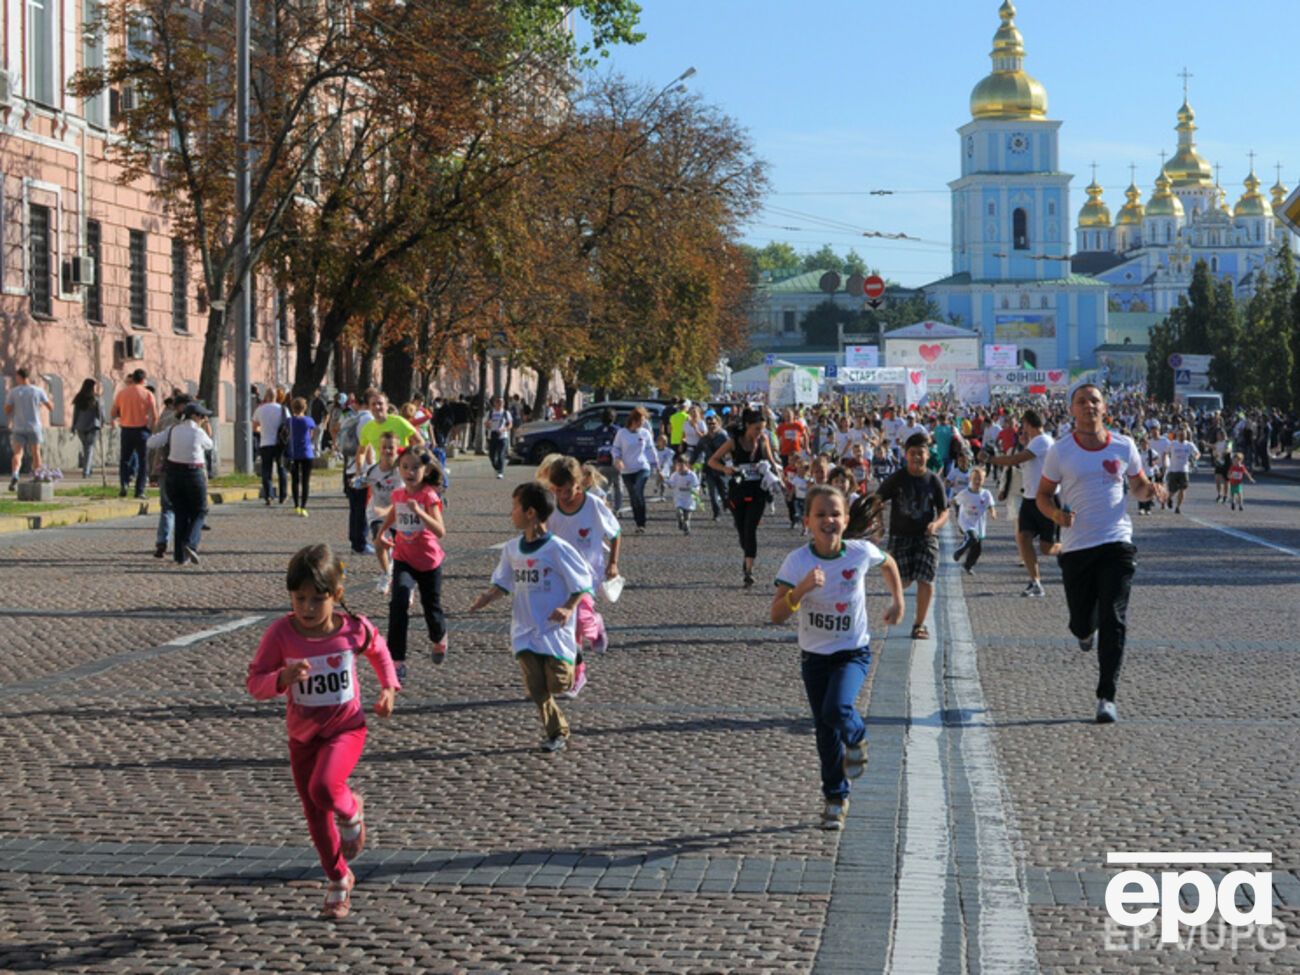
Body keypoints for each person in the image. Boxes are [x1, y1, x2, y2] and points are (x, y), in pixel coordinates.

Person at [246, 543, 399, 919]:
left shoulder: (353, 629)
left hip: (346, 728)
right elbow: (255, 682)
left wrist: (388, 688)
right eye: (299, 598)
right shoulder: (281, 633)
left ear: (337, 596)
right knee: (315, 814)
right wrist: (280, 678)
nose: (308, 608)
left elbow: (379, 650)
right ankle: (338, 879)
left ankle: (350, 810)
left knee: (324, 787)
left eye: (318, 599)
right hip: (303, 737)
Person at [771, 484, 904, 830]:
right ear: (807, 522)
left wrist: (898, 601)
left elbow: (888, 563)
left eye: (835, 514)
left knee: (837, 710)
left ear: (845, 520)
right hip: (814, 657)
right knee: (824, 731)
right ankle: (835, 798)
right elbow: (776, 614)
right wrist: (800, 590)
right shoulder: (797, 561)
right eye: (821, 515)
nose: (828, 520)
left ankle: (857, 737)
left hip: (852, 653)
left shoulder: (859, 552)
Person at [1037, 382, 1166, 724]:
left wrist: (1149, 490)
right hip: (1077, 546)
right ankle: (1084, 631)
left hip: (1117, 542)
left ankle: (1107, 696)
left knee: (1114, 616)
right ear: (1072, 410)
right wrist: (1055, 515)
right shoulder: (1060, 451)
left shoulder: (1124, 446)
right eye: (1082, 401)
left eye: (1094, 401)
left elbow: (1137, 486)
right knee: (1081, 621)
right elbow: (1043, 495)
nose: (1089, 406)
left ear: (1105, 408)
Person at [469, 482, 594, 753]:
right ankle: (556, 732)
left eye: (515, 507)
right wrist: (487, 597)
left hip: (553, 629)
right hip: (524, 630)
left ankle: (577, 659)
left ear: (530, 513)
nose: (510, 513)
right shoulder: (512, 549)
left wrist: (569, 607)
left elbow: (582, 584)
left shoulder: (557, 549)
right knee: (537, 689)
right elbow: (503, 582)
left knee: (559, 683)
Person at [541, 455, 622, 699]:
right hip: (558, 574)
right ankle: (578, 672)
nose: (562, 496)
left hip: (586, 574)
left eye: (567, 491)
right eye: (557, 490)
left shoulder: (593, 505)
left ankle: (594, 629)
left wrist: (613, 563)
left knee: (578, 621)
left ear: (579, 484)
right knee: (567, 626)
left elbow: (616, 533)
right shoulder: (552, 506)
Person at [375, 447, 447, 682]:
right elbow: (394, 513)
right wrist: (382, 532)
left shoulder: (429, 496)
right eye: (405, 467)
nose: (410, 471)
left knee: (431, 608)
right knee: (398, 603)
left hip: (428, 561)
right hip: (403, 558)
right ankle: (397, 660)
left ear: (425, 470)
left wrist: (420, 512)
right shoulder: (398, 494)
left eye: (416, 467)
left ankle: (439, 637)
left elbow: (440, 531)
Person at [871, 432, 948, 639]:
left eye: (920, 453)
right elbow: (877, 500)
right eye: (912, 453)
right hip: (900, 536)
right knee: (902, 582)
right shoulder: (896, 479)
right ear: (906, 455)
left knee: (926, 579)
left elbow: (944, 510)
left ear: (927, 455)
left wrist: (936, 524)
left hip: (925, 537)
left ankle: (919, 625)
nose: (916, 457)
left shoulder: (933, 480)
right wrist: (878, 524)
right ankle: (897, 604)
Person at [983, 409, 1058, 597]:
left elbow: (1016, 459)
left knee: (1046, 548)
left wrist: (990, 459)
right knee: (1023, 538)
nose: (1021, 428)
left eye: (1022, 424)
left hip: (1045, 499)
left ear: (1029, 423)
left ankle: (1073, 548)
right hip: (1029, 498)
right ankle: (1035, 583)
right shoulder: (1034, 442)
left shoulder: (1042, 441)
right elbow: (1021, 464)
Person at [707, 406, 780, 588]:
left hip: (758, 491)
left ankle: (748, 571)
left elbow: (772, 462)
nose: (759, 432)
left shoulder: (763, 439)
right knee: (742, 532)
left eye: (762, 429)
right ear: (747, 426)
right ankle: (747, 554)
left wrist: (778, 474)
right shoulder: (733, 442)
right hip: (738, 492)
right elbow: (712, 461)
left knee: (751, 529)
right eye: (756, 428)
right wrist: (725, 469)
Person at [146, 401, 213, 565]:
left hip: (174, 474)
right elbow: (210, 445)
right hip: (194, 473)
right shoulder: (198, 432)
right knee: (200, 511)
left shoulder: (173, 430)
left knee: (180, 513)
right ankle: (191, 543)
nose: (204, 418)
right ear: (195, 416)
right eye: (202, 416)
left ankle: (179, 556)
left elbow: (151, 442)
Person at [359, 432, 402, 593]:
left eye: (391, 448)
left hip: (398, 512)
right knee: (379, 542)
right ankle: (386, 574)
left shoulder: (401, 471)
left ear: (397, 449)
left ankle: (406, 584)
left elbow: (402, 497)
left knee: (402, 550)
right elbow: (362, 483)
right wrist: (357, 483)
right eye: (384, 447)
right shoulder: (373, 471)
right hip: (376, 511)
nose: (387, 451)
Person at [111, 368, 158, 498]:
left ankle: (124, 484)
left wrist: (123, 415)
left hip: (126, 429)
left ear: (133, 379)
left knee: (125, 459)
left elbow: (113, 413)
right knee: (143, 462)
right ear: (143, 380)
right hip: (142, 430)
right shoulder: (148, 394)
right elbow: (154, 415)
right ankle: (140, 490)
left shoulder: (122, 393)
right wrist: (152, 430)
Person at [611, 407, 657, 534]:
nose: (642, 423)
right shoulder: (622, 433)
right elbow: (615, 449)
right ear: (634, 420)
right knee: (633, 496)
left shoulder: (645, 433)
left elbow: (650, 449)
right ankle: (638, 523)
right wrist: (617, 459)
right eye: (641, 420)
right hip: (626, 470)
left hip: (642, 467)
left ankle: (642, 522)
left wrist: (656, 464)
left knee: (638, 490)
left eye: (644, 421)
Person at [6, 367, 54, 488]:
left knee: (18, 453)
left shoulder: (13, 392)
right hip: (34, 426)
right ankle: (37, 476)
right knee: (36, 452)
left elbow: (7, 409)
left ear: (20, 377)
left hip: (19, 427)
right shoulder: (38, 391)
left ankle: (15, 474)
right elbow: (50, 407)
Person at [952, 467, 997, 575]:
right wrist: (949, 508)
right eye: (975, 479)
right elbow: (954, 501)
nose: (977, 481)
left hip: (979, 524)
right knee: (972, 537)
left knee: (977, 550)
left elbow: (991, 505)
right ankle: (959, 551)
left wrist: (993, 512)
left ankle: (968, 565)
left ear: (984, 480)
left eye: (980, 479)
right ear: (970, 479)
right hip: (966, 521)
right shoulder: (965, 493)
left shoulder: (986, 493)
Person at [252, 388, 289, 505]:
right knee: (281, 469)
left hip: (265, 443)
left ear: (266, 397)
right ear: (276, 396)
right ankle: (283, 495)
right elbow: (288, 425)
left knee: (266, 470)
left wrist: (262, 430)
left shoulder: (260, 410)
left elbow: (255, 427)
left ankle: (269, 495)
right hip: (280, 444)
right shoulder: (283, 409)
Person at [285, 396, 317, 517]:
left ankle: (296, 505)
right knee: (305, 481)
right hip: (307, 453)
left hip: (293, 453)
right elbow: (311, 435)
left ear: (293, 408)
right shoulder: (309, 421)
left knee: (295, 480)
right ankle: (304, 506)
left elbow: (287, 433)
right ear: (304, 407)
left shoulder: (289, 421)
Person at [697, 412, 729, 520]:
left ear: (718, 424)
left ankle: (726, 504)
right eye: (709, 424)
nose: (711, 426)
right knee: (712, 493)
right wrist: (689, 464)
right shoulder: (704, 439)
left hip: (722, 468)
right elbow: (696, 452)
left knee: (724, 491)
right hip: (709, 468)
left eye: (713, 424)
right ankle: (716, 513)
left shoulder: (723, 437)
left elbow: (731, 450)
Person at [70, 379, 102, 479]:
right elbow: (101, 414)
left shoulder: (79, 398)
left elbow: (75, 414)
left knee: (86, 448)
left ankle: (89, 468)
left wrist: (73, 426)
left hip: (80, 427)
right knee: (89, 449)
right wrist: (102, 423)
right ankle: (86, 471)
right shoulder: (96, 399)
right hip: (92, 426)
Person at [1164, 427, 1200, 515]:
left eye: (1184, 435)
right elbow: (1165, 453)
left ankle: (1178, 507)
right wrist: (1165, 462)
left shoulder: (1189, 445)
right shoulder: (1173, 444)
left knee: (1183, 488)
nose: (1182, 436)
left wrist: (1195, 458)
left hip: (1184, 470)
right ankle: (1169, 498)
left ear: (1186, 435)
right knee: (1173, 490)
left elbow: (1198, 453)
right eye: (1180, 434)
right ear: (1177, 435)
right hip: (1173, 469)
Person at [667, 454, 700, 535]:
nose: (680, 468)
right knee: (679, 511)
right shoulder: (675, 475)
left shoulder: (692, 475)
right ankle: (680, 521)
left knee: (687, 517)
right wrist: (667, 483)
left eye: (682, 466)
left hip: (689, 499)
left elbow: (696, 485)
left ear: (687, 465)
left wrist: (696, 491)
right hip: (679, 498)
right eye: (678, 466)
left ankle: (686, 528)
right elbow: (671, 484)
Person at [484, 396, 512, 478]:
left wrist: (504, 429)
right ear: (494, 403)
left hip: (503, 436)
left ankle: (500, 472)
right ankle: (496, 467)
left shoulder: (506, 413)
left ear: (503, 404)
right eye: (498, 402)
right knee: (492, 455)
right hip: (492, 436)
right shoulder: (490, 413)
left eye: (501, 402)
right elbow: (485, 423)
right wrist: (487, 425)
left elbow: (510, 424)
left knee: (500, 454)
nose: (499, 404)